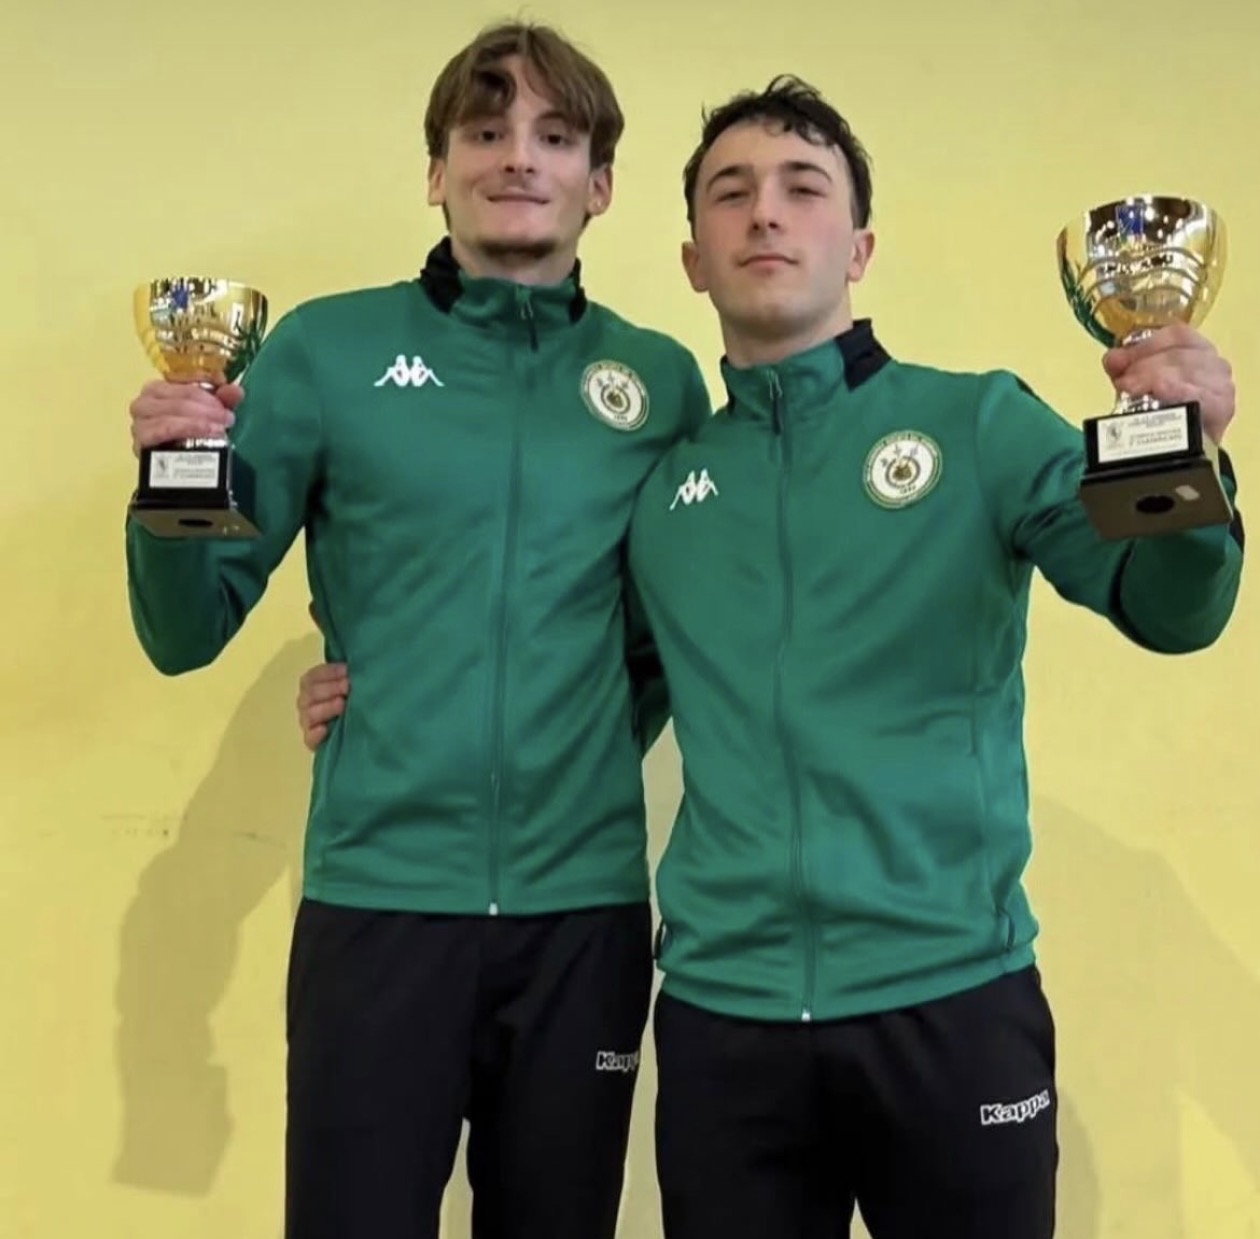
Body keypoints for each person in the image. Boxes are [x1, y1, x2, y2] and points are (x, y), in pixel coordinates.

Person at [295, 76, 1245, 1237]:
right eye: (731, 193)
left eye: (804, 189)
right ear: (693, 258)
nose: (766, 215)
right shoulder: (669, 491)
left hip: (950, 1001)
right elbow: (585, 671)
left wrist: (1186, 463)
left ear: (861, 247)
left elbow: (1166, 606)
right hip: (725, 1026)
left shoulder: (982, 425)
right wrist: (384, 693)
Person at [124, 21, 710, 1239]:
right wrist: (175, 471)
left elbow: (674, 636)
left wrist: (577, 727)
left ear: (601, 183)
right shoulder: (326, 351)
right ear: (436, 171)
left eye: (556, 137)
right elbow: (187, 630)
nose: (518, 158)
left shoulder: (659, 385)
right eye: (485, 131)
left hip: (583, 918)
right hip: (379, 906)